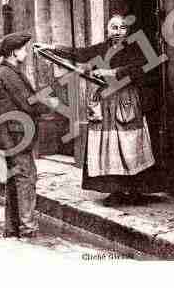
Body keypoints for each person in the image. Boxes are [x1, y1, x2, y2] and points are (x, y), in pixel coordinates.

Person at [40, 14, 157, 204]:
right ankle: (115, 190)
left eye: (122, 28)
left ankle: (134, 190)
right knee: (108, 147)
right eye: (113, 27)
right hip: (105, 102)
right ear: (107, 29)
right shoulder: (102, 49)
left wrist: (112, 72)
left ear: (128, 31)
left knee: (129, 144)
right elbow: (79, 53)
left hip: (126, 102)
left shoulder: (137, 48)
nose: (117, 32)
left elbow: (142, 69)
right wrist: (52, 48)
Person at [0, 31, 59, 238]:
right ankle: (27, 228)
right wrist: (50, 104)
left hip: (11, 133)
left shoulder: (8, 71)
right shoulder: (9, 74)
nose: (26, 53)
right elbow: (28, 102)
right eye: (23, 49)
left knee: (15, 179)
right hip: (15, 135)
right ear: (13, 52)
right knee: (26, 177)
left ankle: (12, 227)